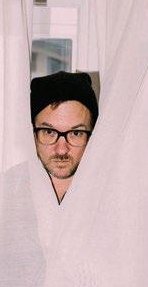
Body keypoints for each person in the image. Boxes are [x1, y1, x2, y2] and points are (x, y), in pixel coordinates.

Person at [30, 71, 98, 203]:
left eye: (76, 133)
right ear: (32, 133)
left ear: (92, 135)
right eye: (49, 132)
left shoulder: (113, 192)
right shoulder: (1, 193)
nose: (61, 150)